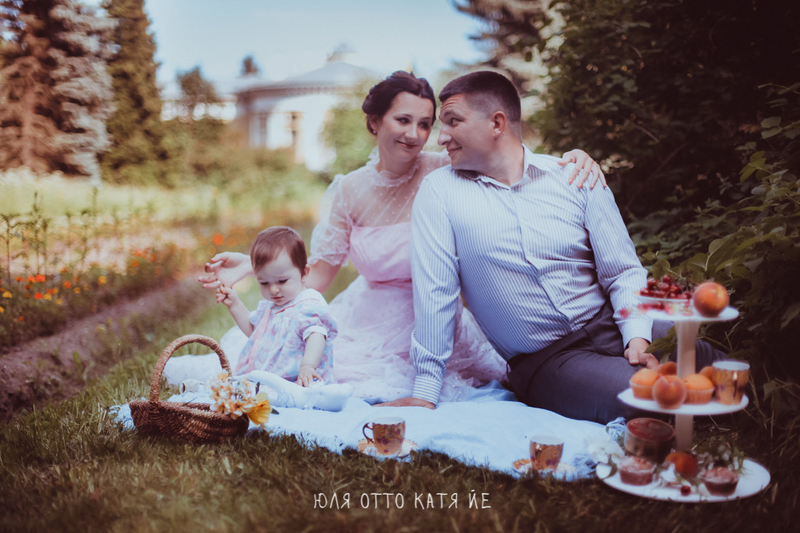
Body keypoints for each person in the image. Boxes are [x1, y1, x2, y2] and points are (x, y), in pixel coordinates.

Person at [194, 71, 606, 404]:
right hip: (367, 319)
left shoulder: (446, 168)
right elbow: (316, 277)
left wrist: (571, 160)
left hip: (434, 317)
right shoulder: (349, 190)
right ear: (375, 122)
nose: (415, 133)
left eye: (425, 124)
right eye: (403, 120)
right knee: (334, 373)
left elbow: (506, 157)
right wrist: (256, 268)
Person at [385, 71, 728, 423]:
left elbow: (623, 272)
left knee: (721, 368)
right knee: (649, 396)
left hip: (612, 319)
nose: (441, 137)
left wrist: (637, 336)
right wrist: (425, 391)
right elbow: (436, 292)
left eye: (453, 121)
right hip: (548, 361)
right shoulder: (440, 192)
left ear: (497, 123)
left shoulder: (574, 176)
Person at [219, 226, 336, 386]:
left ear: (304, 273)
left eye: (282, 281)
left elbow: (316, 335)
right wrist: (235, 305)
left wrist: (308, 366)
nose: (273, 289)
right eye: (264, 283)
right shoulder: (270, 306)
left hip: (299, 380)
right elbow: (255, 333)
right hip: (271, 378)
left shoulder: (309, 304)